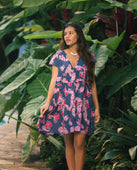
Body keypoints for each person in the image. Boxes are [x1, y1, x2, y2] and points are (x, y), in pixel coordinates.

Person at [37, 22, 100, 170]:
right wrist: (47, 102)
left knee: (80, 143)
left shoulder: (88, 57)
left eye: (71, 33)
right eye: (65, 34)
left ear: (79, 34)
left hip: (83, 104)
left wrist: (97, 108)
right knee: (69, 143)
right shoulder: (58, 56)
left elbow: (92, 84)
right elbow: (53, 81)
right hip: (64, 104)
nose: (67, 36)